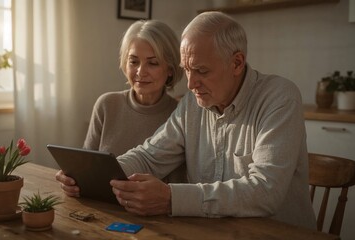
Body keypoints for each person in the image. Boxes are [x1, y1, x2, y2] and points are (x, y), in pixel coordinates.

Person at [56, 12, 317, 230]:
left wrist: (171, 198)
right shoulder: (194, 102)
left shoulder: (280, 97)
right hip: (210, 232)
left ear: (237, 62)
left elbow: (265, 192)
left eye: (202, 71)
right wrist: (90, 175)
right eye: (187, 70)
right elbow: (149, 156)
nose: (190, 84)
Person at [56, 20, 187, 191]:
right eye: (134, 61)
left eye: (152, 63)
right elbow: (85, 168)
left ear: (170, 68)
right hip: (103, 207)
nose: (140, 71)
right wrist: (71, 179)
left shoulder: (181, 115)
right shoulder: (106, 104)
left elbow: (178, 186)